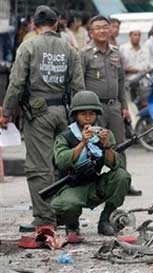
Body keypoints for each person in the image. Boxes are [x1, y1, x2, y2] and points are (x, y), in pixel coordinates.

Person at [0, 5, 84, 230]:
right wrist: (80, 119)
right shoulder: (69, 49)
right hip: (64, 113)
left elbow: (16, 83)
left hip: (38, 115)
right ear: (56, 24)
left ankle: (45, 218)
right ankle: (66, 215)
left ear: (34, 25)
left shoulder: (28, 46)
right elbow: (79, 86)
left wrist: (6, 113)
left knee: (39, 167)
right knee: (63, 164)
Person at [50, 91, 131, 242]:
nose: (88, 117)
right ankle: (72, 226)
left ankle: (106, 218)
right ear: (75, 115)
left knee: (122, 176)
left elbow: (115, 165)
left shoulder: (102, 134)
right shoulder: (66, 136)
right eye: (83, 114)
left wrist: (106, 146)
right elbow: (61, 161)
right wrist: (82, 143)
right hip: (72, 187)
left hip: (94, 184)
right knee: (67, 204)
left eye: (92, 114)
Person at [80, 15, 141, 196]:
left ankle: (123, 181)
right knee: (92, 146)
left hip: (114, 107)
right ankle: (92, 185)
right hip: (94, 109)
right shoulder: (84, 54)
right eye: (98, 28)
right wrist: (83, 110)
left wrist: (124, 106)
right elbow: (79, 83)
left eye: (105, 27)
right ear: (91, 32)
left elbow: (121, 81)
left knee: (119, 146)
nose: (102, 31)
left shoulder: (116, 53)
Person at [120, 27, 152, 108]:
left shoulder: (145, 49)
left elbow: (149, 65)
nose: (137, 37)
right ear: (130, 36)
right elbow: (121, 67)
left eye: (139, 35)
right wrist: (135, 70)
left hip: (142, 81)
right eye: (135, 35)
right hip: (128, 81)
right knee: (130, 105)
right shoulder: (123, 49)